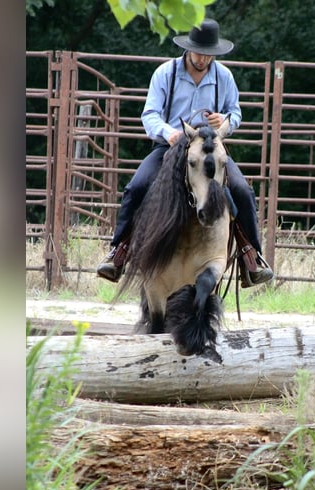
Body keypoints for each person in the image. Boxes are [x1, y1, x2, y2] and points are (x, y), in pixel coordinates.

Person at [96, 18, 274, 288]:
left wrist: (223, 123)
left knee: (242, 190)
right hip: (170, 147)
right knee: (137, 187)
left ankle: (252, 257)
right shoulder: (165, 73)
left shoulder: (224, 76)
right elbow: (150, 114)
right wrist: (170, 133)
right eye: (199, 52)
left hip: (209, 149)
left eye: (208, 54)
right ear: (188, 48)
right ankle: (118, 252)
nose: (203, 59)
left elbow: (235, 112)